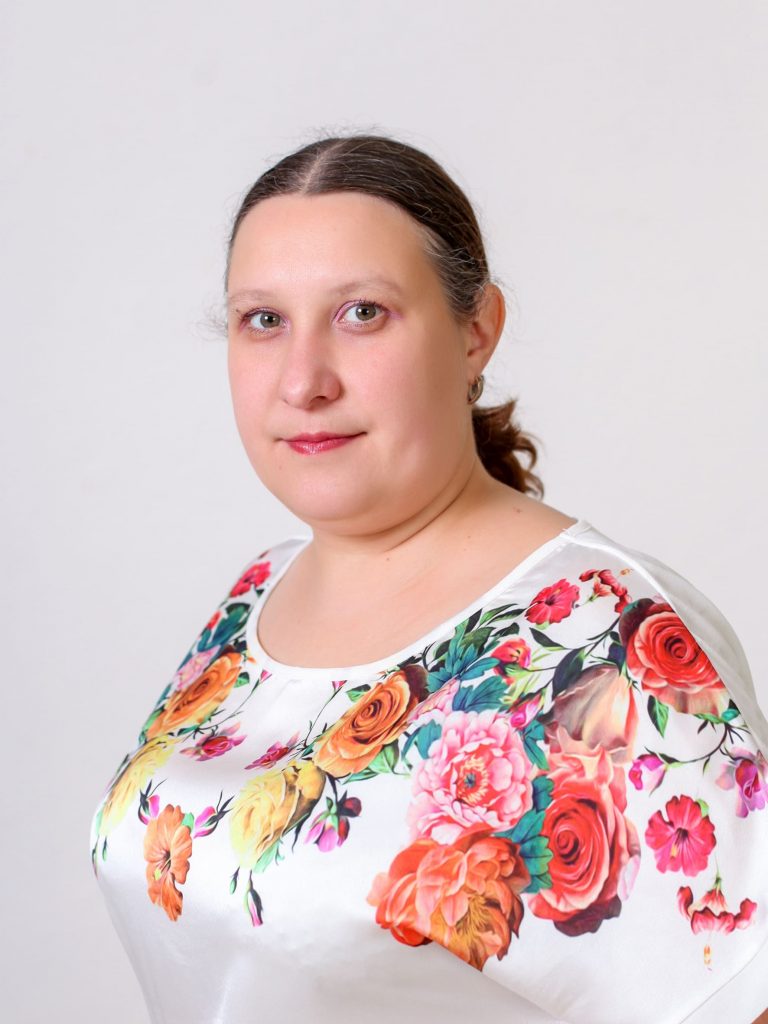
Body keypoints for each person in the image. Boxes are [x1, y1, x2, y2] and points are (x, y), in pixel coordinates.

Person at [89, 133, 768, 1024]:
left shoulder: (610, 644)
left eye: (362, 312)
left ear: (476, 330)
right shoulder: (256, 593)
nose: (303, 381)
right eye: (264, 320)